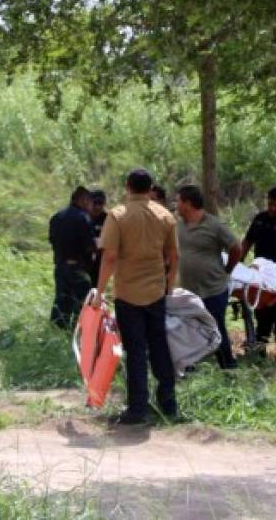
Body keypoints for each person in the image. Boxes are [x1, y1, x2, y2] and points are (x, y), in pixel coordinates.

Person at [95, 168, 179, 425]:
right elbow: (173, 257)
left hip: (128, 293)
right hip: (156, 291)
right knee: (159, 347)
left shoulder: (117, 216)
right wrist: (169, 287)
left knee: (135, 351)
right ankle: (168, 405)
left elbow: (109, 257)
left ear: (127, 187)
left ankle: (137, 409)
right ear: (150, 188)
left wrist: (99, 291)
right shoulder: (165, 216)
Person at [176, 185, 242, 370]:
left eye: (179, 201)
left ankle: (228, 367)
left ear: (188, 203)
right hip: (189, 291)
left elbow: (236, 248)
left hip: (213, 289)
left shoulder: (214, 225)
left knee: (216, 328)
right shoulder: (179, 225)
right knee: (188, 330)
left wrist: (227, 270)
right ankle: (189, 368)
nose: (176, 205)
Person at [239, 187, 276, 355]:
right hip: (261, 274)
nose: (273, 208)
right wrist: (237, 264)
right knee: (262, 312)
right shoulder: (260, 219)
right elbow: (247, 242)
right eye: (270, 204)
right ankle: (260, 350)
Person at [48, 186, 95, 329]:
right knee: (81, 304)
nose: (90, 206)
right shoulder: (83, 218)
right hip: (78, 269)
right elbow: (89, 246)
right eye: (89, 202)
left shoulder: (56, 217)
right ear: (82, 200)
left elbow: (52, 240)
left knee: (61, 301)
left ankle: (56, 332)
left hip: (60, 267)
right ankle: (78, 334)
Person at [87, 189, 107, 286]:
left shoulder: (107, 218)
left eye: (101, 204)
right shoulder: (82, 217)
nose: (98, 207)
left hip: (100, 262)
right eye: (95, 203)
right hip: (83, 261)